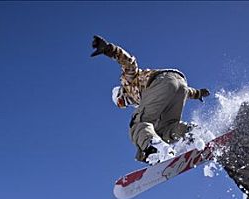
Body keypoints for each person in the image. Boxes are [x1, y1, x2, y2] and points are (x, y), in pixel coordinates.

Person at [90, 35, 210, 165]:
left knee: (138, 123)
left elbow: (129, 63)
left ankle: (155, 148)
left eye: (121, 101)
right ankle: (191, 132)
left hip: (161, 81)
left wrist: (109, 49)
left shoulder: (128, 81)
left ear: (121, 93)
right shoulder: (144, 99)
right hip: (180, 85)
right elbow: (181, 89)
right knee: (165, 129)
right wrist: (197, 93)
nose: (125, 104)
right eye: (122, 105)